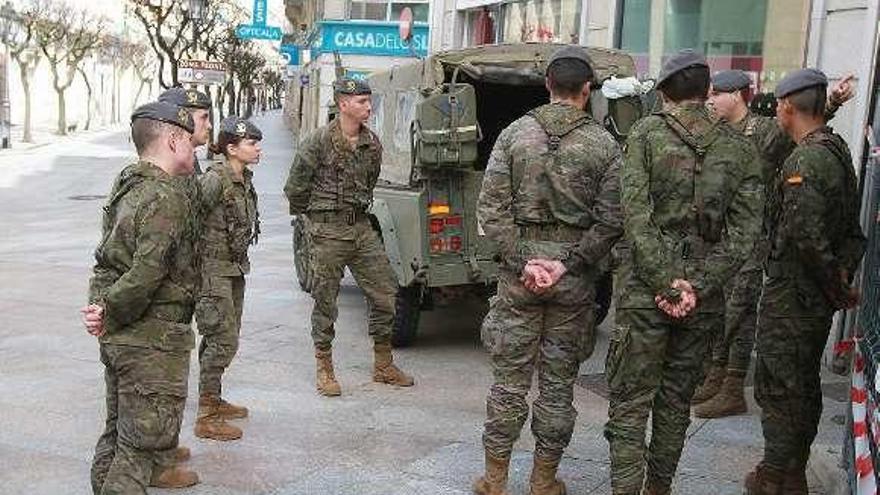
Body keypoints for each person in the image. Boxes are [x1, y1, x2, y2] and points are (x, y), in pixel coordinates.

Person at [605, 50, 764, 495]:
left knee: (630, 402)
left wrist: (663, 282)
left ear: (664, 91)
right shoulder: (739, 146)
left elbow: (634, 214)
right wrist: (697, 285)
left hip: (644, 293)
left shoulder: (645, 134)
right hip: (702, 299)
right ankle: (659, 488)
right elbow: (746, 232)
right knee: (675, 402)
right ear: (707, 91)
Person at [473, 45, 623, 495]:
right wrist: (568, 263)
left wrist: (523, 260)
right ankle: (543, 481)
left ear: (547, 86)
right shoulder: (604, 144)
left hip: (520, 277)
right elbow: (612, 219)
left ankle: (494, 480)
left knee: (508, 382)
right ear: (587, 90)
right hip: (573, 280)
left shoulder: (514, 135)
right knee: (558, 385)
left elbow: (491, 209)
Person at [694, 70, 855, 419]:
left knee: (740, 308)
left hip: (753, 236)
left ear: (737, 94)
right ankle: (715, 373)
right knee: (718, 307)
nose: (711, 101)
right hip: (718, 235)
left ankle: (733, 385)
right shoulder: (713, 132)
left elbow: (805, 120)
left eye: (716, 94)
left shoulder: (766, 130)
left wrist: (833, 102)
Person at [745, 68, 865, 494]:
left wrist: (836, 286)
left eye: (778, 104)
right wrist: (840, 279)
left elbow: (806, 236)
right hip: (812, 297)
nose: (776, 110)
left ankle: (776, 477)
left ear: (789, 107)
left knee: (779, 387)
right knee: (801, 385)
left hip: (794, 296)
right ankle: (790, 471)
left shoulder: (806, 160)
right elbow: (852, 232)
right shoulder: (834, 148)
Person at [82, 101, 201, 494]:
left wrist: (102, 310)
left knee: (118, 434)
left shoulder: (128, 184)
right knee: (140, 449)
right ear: (172, 139)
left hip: (122, 337)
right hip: (150, 339)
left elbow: (108, 257)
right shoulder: (165, 195)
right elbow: (146, 272)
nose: (195, 148)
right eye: (189, 140)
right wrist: (110, 311)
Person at [283, 77, 414, 396]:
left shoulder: (373, 144)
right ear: (343, 104)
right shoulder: (318, 141)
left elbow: (368, 184)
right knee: (325, 299)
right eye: (361, 102)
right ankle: (324, 367)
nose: (368, 107)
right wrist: (316, 221)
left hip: (360, 228)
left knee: (385, 292)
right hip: (326, 231)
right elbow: (295, 188)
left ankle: (383, 364)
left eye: (370, 102)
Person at [192, 116, 263, 441]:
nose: (257, 148)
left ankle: (214, 397)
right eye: (251, 143)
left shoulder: (242, 178)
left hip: (234, 268)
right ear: (232, 148)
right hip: (212, 271)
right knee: (223, 339)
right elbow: (189, 221)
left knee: (221, 337)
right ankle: (206, 415)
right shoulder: (215, 180)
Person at [159, 87, 213, 175]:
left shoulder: (186, 161)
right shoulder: (163, 168)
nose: (209, 126)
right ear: (182, 119)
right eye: (204, 117)